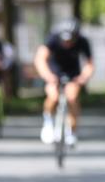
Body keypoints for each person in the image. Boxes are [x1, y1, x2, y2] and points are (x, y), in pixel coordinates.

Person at [33, 18, 93, 146]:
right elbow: (40, 59)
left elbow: (89, 64)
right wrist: (47, 76)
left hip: (73, 73)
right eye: (65, 40)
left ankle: (71, 131)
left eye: (70, 40)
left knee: (72, 97)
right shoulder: (53, 38)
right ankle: (48, 123)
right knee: (53, 96)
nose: (67, 43)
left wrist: (83, 77)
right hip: (54, 72)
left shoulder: (83, 41)